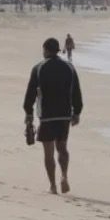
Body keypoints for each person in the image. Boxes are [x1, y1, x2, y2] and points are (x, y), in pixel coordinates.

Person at [23, 37, 84, 195]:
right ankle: (64, 176)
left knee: (48, 152)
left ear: (45, 50)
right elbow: (76, 91)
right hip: (64, 115)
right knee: (62, 148)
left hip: (47, 115)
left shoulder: (39, 68)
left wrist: (28, 113)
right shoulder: (69, 68)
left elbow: (30, 93)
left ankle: (53, 186)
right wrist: (77, 112)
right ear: (57, 50)